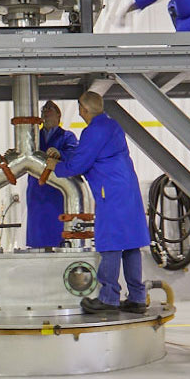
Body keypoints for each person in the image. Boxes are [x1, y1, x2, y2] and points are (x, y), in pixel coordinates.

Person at [45, 91, 150, 315]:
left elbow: (78, 165)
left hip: (110, 192)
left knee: (110, 243)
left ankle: (109, 299)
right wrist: (64, 156)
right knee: (131, 243)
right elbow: (90, 155)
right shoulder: (113, 126)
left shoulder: (93, 131)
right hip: (128, 188)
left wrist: (56, 166)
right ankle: (137, 298)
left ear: (84, 110)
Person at [26, 100, 77, 248]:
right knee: (38, 231)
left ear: (59, 115)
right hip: (37, 190)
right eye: (44, 109)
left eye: (50, 109)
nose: (46, 111)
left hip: (58, 192)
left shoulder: (67, 137)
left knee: (59, 231)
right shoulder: (33, 137)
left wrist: (60, 154)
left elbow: (75, 154)